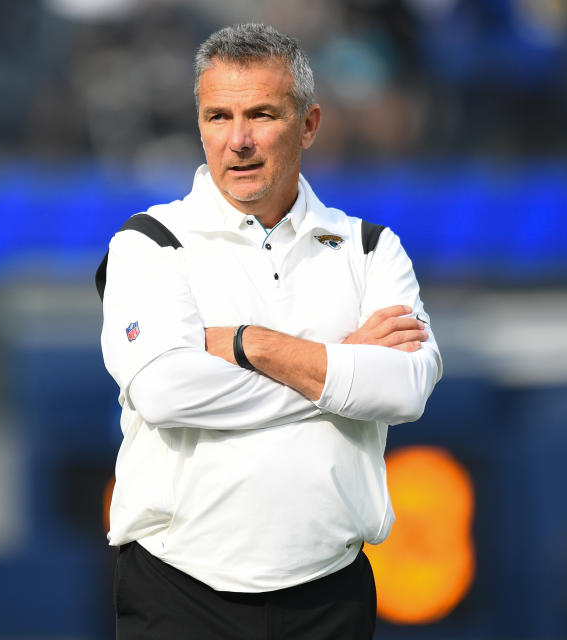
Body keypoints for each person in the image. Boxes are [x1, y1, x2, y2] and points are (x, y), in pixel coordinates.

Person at [99, 23, 442, 639]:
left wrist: (248, 344)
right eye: (217, 117)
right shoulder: (149, 242)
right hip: (177, 592)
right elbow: (164, 392)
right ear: (199, 124)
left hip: (329, 595)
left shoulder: (369, 248)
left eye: (261, 114)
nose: (238, 141)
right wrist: (340, 367)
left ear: (309, 125)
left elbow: (405, 390)